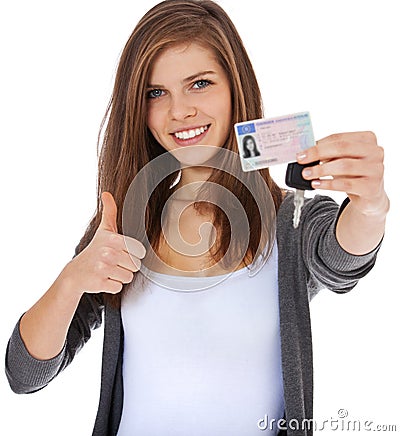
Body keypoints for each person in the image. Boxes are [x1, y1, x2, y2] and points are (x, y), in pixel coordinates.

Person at [5, 1, 389, 435]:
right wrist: (72, 280)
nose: (179, 111)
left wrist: (371, 205)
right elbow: (24, 373)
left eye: (200, 84)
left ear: (234, 88)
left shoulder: (290, 219)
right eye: (156, 93)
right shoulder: (124, 228)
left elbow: (341, 259)